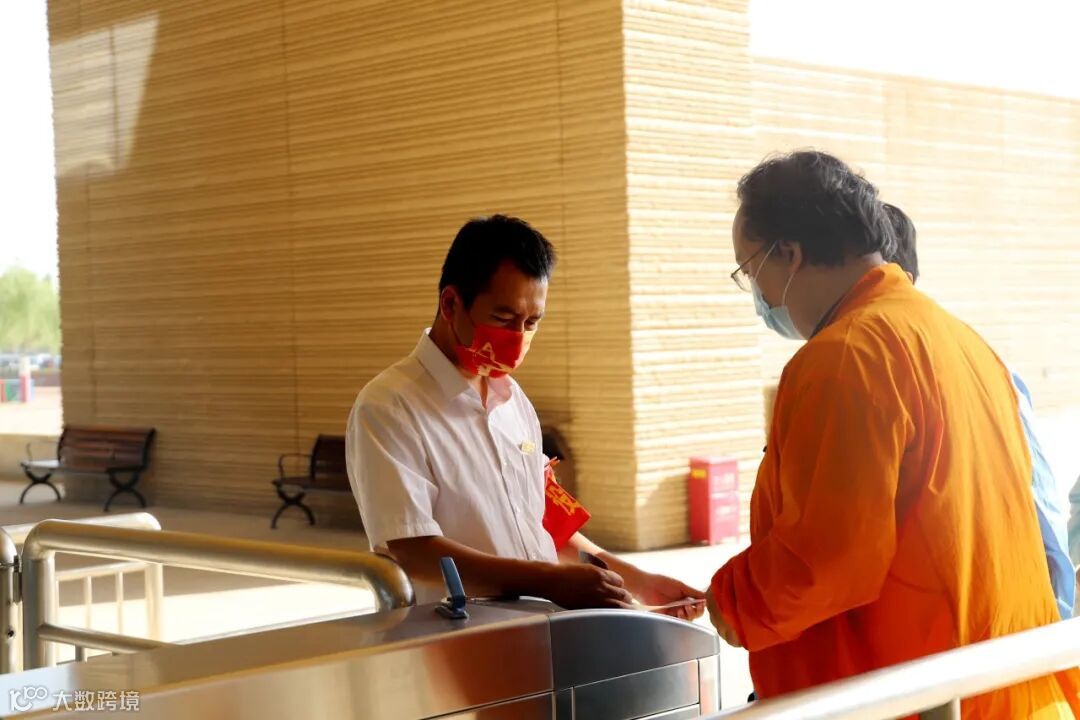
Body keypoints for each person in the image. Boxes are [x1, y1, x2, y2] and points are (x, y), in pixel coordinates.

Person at [705, 150, 1080, 715]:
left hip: (917, 691)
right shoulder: (957, 338)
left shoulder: (846, 356)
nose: (757, 294)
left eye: (749, 270)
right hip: (995, 681)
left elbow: (829, 557)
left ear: (789, 253)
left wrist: (733, 600)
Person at [346, 214, 704, 616]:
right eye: (503, 319)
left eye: (531, 322)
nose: (517, 339)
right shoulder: (389, 407)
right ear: (451, 304)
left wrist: (637, 582)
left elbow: (545, 522)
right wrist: (547, 581)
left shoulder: (514, 401)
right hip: (456, 634)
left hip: (543, 627)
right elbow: (413, 550)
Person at [883, 201, 1075, 620]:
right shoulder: (856, 368)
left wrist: (1055, 619)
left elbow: (1038, 505)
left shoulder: (976, 366)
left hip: (981, 633)